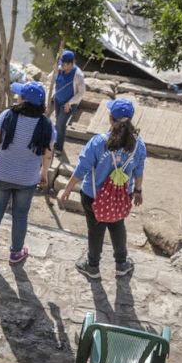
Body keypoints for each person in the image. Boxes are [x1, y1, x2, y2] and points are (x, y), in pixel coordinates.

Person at [59, 99, 145, 279]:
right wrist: (137, 191)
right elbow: (139, 170)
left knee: (96, 229)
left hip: (94, 196)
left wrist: (67, 189)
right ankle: (122, 264)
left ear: (110, 118)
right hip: (122, 195)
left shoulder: (98, 142)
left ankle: (92, 266)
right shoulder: (138, 145)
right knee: (117, 225)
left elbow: (82, 168)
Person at [0, 82, 55, 264]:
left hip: (1, 173)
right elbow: (47, 155)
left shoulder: (8, 115)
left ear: (23, 99)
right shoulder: (47, 125)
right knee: (20, 215)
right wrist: (44, 174)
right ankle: (15, 253)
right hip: (27, 178)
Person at [53, 49, 85, 157]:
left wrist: (70, 103)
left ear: (71, 63)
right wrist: (55, 72)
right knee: (58, 121)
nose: (62, 66)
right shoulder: (60, 69)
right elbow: (50, 79)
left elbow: (81, 93)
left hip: (68, 103)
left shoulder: (78, 75)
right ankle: (56, 140)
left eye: (65, 64)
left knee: (61, 124)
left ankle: (58, 147)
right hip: (58, 99)